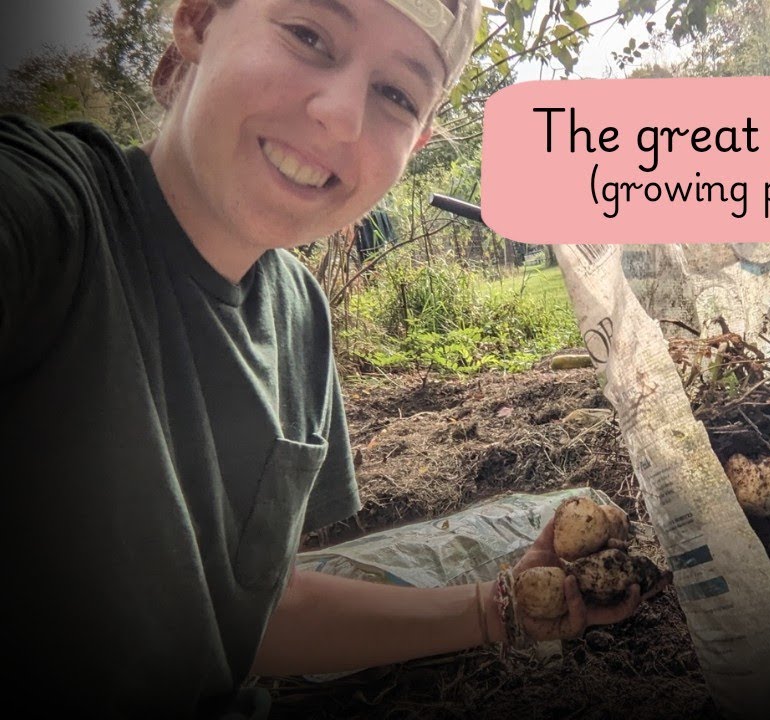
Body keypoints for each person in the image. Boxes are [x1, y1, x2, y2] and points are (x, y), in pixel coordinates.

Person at [0, 1, 662, 716]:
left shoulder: (299, 317)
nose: (342, 116)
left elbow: (246, 619)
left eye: (396, 95)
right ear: (196, 20)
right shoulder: (53, 219)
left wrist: (497, 609)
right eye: (309, 36)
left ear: (418, 142)